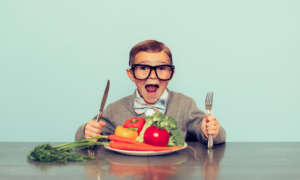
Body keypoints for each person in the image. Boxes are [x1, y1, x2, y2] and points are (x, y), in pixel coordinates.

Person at [75, 40, 226, 144]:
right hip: (128, 172)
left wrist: (210, 130)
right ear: (131, 74)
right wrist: (87, 132)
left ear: (171, 74)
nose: (153, 76)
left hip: (172, 172)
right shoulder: (114, 109)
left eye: (161, 68)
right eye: (143, 68)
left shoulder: (185, 105)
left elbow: (212, 134)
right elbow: (86, 136)